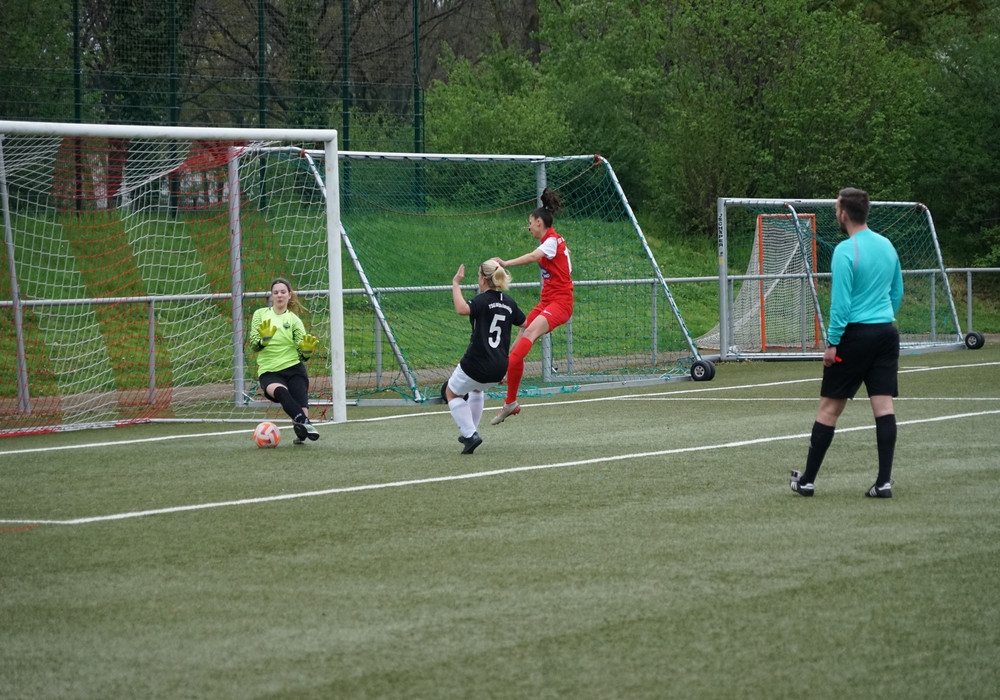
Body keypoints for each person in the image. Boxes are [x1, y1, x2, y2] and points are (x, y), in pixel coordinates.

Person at [790, 187, 904, 498]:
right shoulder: (887, 245)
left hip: (854, 337)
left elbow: (841, 305)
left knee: (829, 408)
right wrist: (881, 317)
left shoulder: (845, 250)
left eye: (836, 210)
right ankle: (883, 482)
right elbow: (897, 292)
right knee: (884, 407)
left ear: (843, 213)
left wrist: (832, 343)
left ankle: (807, 481)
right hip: (885, 333)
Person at [489, 187, 573, 425]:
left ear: (539, 222)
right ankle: (510, 402)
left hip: (560, 303)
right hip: (548, 301)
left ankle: (502, 370)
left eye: (530, 223)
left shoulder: (551, 241)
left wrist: (506, 263)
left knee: (530, 333)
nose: (529, 227)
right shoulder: (553, 243)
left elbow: (533, 257)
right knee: (523, 334)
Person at [444, 260, 526, 454]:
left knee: (451, 393)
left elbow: (461, 309)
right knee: (476, 389)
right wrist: (510, 353)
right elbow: (526, 326)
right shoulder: (509, 303)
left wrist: (456, 283)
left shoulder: (481, 301)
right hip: (499, 365)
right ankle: (470, 432)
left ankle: (470, 434)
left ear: (482, 279)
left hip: (477, 362)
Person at [247, 277, 321, 445]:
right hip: (270, 371)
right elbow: (254, 345)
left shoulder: (294, 320)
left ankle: (302, 428)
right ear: (271, 296)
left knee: (300, 425)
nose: (279, 295)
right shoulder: (260, 314)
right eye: (276, 292)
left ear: (289, 295)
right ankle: (306, 423)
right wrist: (263, 341)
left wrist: (306, 353)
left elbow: (302, 352)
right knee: (281, 392)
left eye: (282, 292)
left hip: (294, 369)